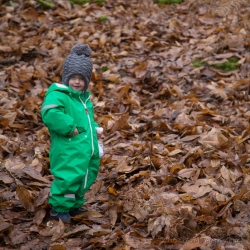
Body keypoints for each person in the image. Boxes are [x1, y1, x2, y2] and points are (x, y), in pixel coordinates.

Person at [41, 44, 102, 223]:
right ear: (66, 78)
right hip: (68, 148)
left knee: (84, 175)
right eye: (73, 78)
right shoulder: (59, 95)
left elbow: (87, 120)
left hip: (85, 147)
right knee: (68, 177)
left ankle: (74, 203)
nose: (77, 82)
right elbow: (50, 112)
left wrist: (95, 128)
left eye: (81, 79)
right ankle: (59, 209)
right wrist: (68, 126)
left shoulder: (84, 100)